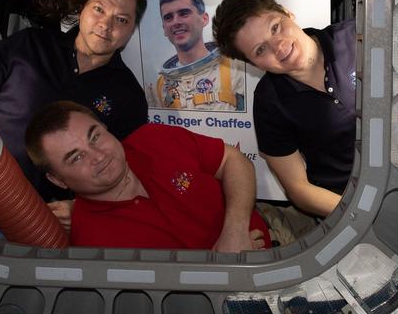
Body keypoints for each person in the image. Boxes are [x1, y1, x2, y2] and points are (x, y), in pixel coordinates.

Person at [0, 0, 149, 201]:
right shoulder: (31, 43)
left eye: (121, 20)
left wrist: (80, 209)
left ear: (133, 29)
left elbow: (126, 175)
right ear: (82, 8)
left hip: (25, 226)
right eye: (99, 9)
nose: (105, 25)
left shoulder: (130, 97)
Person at [25, 101, 269, 251]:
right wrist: (231, 267)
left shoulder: (153, 138)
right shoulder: (94, 245)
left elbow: (233, 160)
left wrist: (235, 231)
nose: (98, 156)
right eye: (76, 157)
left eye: (95, 136)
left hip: (275, 233)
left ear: (106, 128)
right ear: (58, 180)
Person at [213, 0, 356, 217]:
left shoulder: (355, 36)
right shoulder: (269, 102)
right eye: (260, 50)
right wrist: (359, 216)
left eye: (275, 27)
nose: (278, 46)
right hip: (344, 206)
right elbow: (299, 190)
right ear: (254, 65)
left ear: (288, 13)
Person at [150, 0, 245, 111]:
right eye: (168, 17)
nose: (176, 22)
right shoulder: (161, 86)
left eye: (184, 13)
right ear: (164, 28)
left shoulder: (236, 68)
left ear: (204, 19)